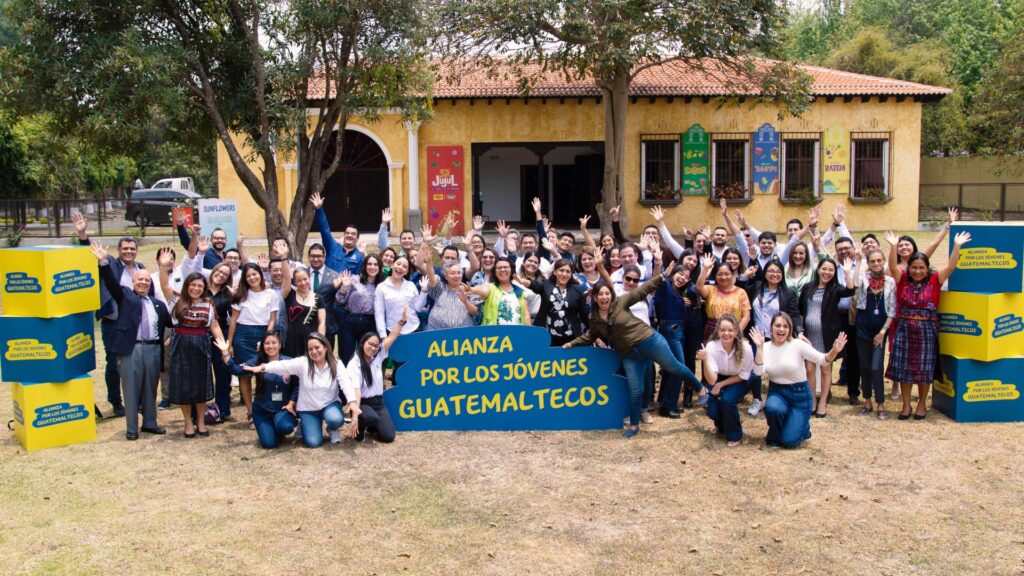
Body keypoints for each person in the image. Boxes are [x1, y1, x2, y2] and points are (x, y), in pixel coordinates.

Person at [563, 261, 702, 438]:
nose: (604, 297)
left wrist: (662, 276)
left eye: (607, 294)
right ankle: (635, 425)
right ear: (595, 297)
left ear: (611, 295)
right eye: (601, 295)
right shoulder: (595, 318)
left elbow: (642, 290)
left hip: (648, 340)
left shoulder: (621, 302)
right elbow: (590, 336)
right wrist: (571, 344)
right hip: (628, 353)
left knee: (673, 366)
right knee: (636, 389)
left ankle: (700, 389)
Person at [884, 229, 971, 420]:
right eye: (914, 267)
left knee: (924, 370)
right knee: (905, 370)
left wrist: (956, 246)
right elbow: (891, 265)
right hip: (904, 330)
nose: (917, 271)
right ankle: (906, 405)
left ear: (927, 268)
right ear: (909, 268)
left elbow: (951, 267)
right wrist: (892, 246)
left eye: (921, 267)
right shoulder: (901, 279)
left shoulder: (934, 280)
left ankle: (922, 404)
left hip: (927, 331)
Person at [89, 241, 170, 440]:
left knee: (151, 388)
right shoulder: (125, 296)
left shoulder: (157, 304)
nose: (143, 283)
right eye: (139, 280)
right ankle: (132, 427)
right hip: (131, 350)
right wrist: (103, 262)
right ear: (133, 282)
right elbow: (111, 283)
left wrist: (169, 340)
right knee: (131, 389)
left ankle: (150, 422)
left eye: (146, 281)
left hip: (152, 349)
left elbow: (169, 324)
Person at [74, 212, 151, 417]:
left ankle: (139, 400)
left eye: (132, 249)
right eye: (125, 248)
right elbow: (91, 259)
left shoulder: (140, 269)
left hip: (134, 325)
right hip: (113, 323)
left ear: (136, 251)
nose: (128, 251)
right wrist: (83, 234)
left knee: (135, 363)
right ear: (118, 251)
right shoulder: (111, 264)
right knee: (114, 363)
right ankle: (116, 402)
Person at [243, 332, 360, 447]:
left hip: (329, 404)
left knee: (335, 419)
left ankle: (332, 429)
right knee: (313, 443)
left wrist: (352, 401)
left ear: (325, 347)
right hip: (308, 409)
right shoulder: (303, 363)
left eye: (317, 347)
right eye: (310, 349)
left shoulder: (336, 364)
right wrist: (263, 367)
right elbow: (282, 366)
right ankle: (304, 424)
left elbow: (346, 384)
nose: (314, 351)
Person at [750, 313, 847, 448]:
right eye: (777, 325)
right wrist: (759, 349)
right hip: (777, 392)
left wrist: (834, 351)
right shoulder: (765, 346)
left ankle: (803, 428)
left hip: (800, 395)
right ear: (771, 328)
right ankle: (778, 434)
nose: (781, 329)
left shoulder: (798, 345)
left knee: (789, 442)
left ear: (790, 329)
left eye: (786, 326)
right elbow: (758, 372)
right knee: (772, 408)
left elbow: (822, 360)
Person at [158, 259, 225, 438]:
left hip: (201, 345)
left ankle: (201, 421)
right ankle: (188, 422)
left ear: (204, 288)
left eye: (200, 286)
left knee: (201, 385)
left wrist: (224, 346)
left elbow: (215, 326)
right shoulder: (176, 300)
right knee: (184, 385)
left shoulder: (209, 304)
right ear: (187, 286)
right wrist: (164, 267)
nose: (196, 288)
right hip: (181, 346)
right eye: (193, 285)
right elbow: (164, 284)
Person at [215, 332, 298, 448]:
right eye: (267, 343)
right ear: (262, 345)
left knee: (286, 427)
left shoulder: (289, 362)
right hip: (263, 410)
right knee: (269, 444)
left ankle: (279, 427)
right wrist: (225, 352)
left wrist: (291, 403)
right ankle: (269, 430)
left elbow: (296, 386)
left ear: (280, 344)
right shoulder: (257, 362)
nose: (271, 346)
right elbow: (236, 370)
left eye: (274, 342)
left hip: (282, 409)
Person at [798, 257, 856, 417]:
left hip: (827, 336)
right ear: (818, 269)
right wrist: (799, 330)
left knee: (825, 369)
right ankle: (813, 401)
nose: (827, 272)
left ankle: (823, 401)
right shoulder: (808, 287)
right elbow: (799, 310)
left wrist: (847, 272)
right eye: (824, 269)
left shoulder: (835, 289)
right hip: (809, 336)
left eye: (831, 270)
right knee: (809, 369)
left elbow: (850, 291)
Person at [744, 259, 802, 416]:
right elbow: (739, 288)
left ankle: (776, 399)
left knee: (777, 369)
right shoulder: (756, 288)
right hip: (757, 336)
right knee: (756, 368)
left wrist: (800, 331)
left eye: (778, 272)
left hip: (777, 338)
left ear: (782, 275)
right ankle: (757, 399)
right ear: (765, 273)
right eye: (771, 271)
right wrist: (745, 276)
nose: (774, 274)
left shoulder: (788, 294)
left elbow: (794, 315)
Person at [227, 262, 281, 428]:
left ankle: (264, 409)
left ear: (260, 274)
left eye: (254, 274)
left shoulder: (271, 293)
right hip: (243, 335)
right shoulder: (241, 295)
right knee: (244, 373)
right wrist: (229, 343)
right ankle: (250, 412)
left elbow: (272, 319)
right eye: (248, 275)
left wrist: (266, 338)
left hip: (263, 334)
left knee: (264, 372)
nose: (252, 278)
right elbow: (234, 320)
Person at [346, 307, 410, 443]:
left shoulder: (378, 355)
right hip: (362, 402)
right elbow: (356, 392)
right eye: (370, 344)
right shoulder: (354, 363)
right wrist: (355, 416)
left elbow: (392, 336)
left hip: (379, 402)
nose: (373, 348)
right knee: (371, 417)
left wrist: (402, 320)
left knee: (388, 437)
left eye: (376, 345)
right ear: (362, 343)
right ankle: (360, 429)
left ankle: (373, 426)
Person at [698, 314, 755, 447]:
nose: (726, 333)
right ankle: (722, 426)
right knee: (712, 410)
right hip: (719, 377)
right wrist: (705, 359)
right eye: (722, 330)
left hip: (741, 378)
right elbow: (712, 380)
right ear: (717, 331)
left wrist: (721, 384)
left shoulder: (745, 348)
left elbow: (745, 374)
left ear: (736, 331)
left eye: (730, 330)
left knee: (728, 400)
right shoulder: (711, 346)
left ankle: (735, 435)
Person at [852, 249, 896, 420]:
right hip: (863, 326)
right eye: (872, 261)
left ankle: (881, 403)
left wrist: (883, 331)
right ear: (868, 263)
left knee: (876, 367)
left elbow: (892, 309)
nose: (876, 264)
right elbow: (854, 283)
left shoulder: (890, 282)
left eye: (879, 260)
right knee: (864, 366)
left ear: (884, 261)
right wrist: (857, 261)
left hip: (880, 329)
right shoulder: (864, 278)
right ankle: (867, 401)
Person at [653, 263, 697, 418]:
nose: (683, 279)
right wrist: (659, 263)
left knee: (671, 368)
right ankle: (668, 405)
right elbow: (657, 279)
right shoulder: (665, 286)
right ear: (674, 273)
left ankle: (665, 400)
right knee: (679, 367)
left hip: (679, 330)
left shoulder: (678, 293)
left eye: (686, 277)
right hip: (670, 330)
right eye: (681, 274)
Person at [525, 257, 589, 347]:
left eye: (568, 271)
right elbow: (535, 285)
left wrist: (595, 337)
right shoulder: (546, 285)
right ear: (555, 272)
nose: (564, 274)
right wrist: (523, 281)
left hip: (571, 339)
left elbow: (584, 315)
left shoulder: (576, 289)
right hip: (547, 337)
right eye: (561, 270)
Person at [335, 255, 383, 363]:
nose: (372, 267)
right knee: (346, 355)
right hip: (350, 320)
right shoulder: (355, 280)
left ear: (379, 267)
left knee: (366, 356)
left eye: (375, 264)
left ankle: (363, 379)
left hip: (369, 323)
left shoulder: (382, 286)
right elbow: (339, 300)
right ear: (365, 266)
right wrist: (344, 287)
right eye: (369, 264)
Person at [694, 254, 751, 342]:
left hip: (733, 330)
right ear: (715, 276)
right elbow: (698, 287)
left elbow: (746, 316)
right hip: (712, 331)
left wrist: (736, 332)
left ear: (732, 275)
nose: (723, 277)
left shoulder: (741, 292)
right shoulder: (711, 289)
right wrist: (705, 268)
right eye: (720, 274)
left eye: (727, 274)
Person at [421, 243, 478, 331]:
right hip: (437, 335)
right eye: (452, 273)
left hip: (464, 336)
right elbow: (432, 279)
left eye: (459, 273)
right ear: (446, 276)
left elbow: (475, 312)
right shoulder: (440, 289)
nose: (456, 276)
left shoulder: (468, 289)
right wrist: (429, 262)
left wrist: (466, 302)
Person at [206, 261, 236, 419]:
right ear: (213, 271)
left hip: (220, 336)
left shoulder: (227, 294)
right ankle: (199, 409)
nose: (221, 275)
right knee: (202, 373)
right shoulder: (200, 288)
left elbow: (234, 317)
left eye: (225, 274)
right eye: (219, 272)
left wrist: (229, 342)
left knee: (223, 373)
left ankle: (223, 409)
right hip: (201, 336)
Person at [310, 192, 364, 274]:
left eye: (353, 234)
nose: (349, 235)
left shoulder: (359, 257)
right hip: (327, 286)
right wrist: (319, 209)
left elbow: (359, 279)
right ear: (344, 235)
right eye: (347, 233)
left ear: (357, 238)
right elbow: (325, 230)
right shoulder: (333, 247)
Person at [469, 257, 532, 326]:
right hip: (494, 335)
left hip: (516, 334)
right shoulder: (490, 288)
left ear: (511, 271)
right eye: (499, 268)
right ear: (495, 272)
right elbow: (482, 290)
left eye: (506, 267)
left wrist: (528, 333)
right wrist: (472, 289)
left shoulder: (520, 291)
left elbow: (526, 315)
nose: (502, 270)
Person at [281, 267, 327, 358]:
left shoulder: (319, 298)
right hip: (291, 339)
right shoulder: (289, 294)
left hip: (310, 340)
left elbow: (322, 322)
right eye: (298, 281)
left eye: (305, 279)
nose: (302, 283)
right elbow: (286, 278)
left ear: (309, 278)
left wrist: (319, 341)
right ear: (294, 282)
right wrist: (283, 258)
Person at [374, 254, 422, 337]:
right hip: (393, 332)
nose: (400, 267)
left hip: (414, 329)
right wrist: (383, 336)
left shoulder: (411, 285)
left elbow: (418, 308)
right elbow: (379, 314)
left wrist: (424, 292)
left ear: (407, 271)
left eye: (404, 266)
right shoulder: (381, 287)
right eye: (398, 264)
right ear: (392, 265)